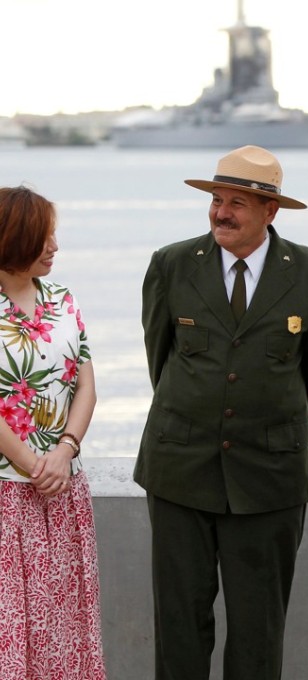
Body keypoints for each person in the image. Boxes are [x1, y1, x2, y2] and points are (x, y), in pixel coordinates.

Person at [135, 145, 308, 680]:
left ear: (270, 212)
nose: (221, 212)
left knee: (258, 631)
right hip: (179, 470)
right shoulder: (171, 264)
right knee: (180, 626)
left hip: (269, 478)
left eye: (237, 204)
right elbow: (162, 361)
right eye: (217, 200)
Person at [0, 186, 104, 679]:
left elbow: (85, 384)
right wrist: (31, 462)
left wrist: (64, 451)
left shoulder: (63, 299)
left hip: (61, 488)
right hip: (7, 492)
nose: (54, 245)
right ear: (14, 238)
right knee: (10, 627)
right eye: (44, 236)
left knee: (63, 626)